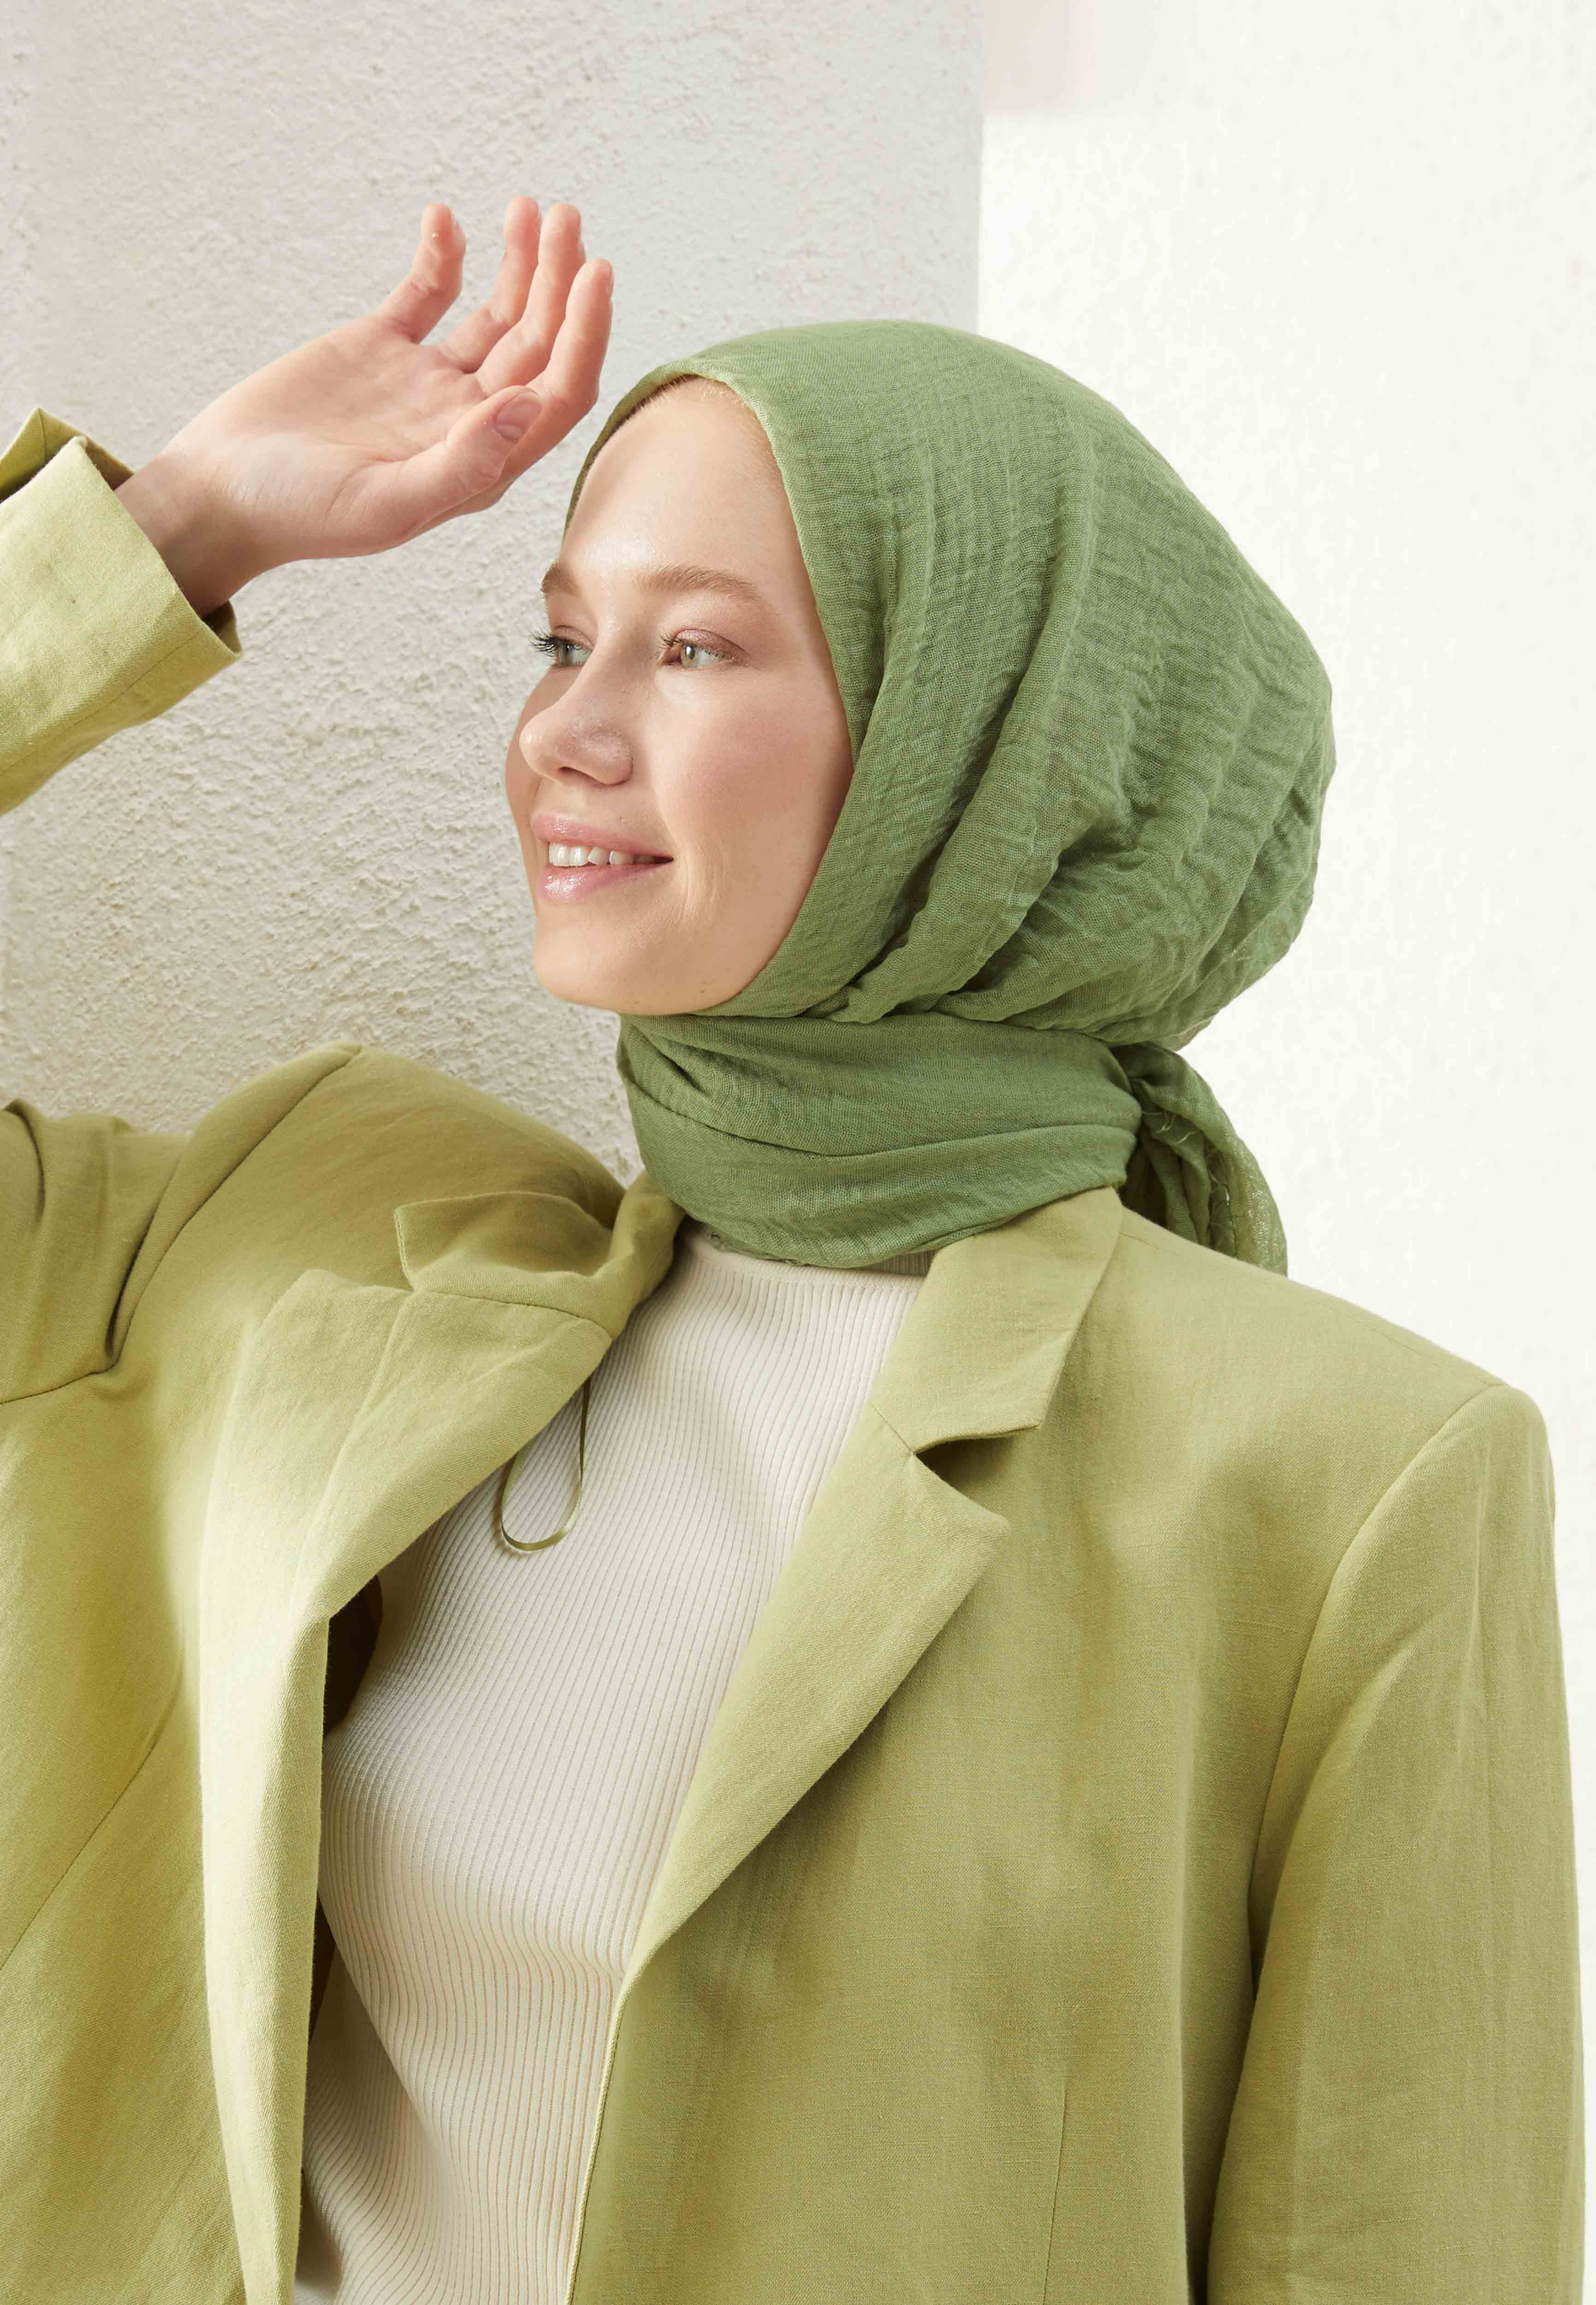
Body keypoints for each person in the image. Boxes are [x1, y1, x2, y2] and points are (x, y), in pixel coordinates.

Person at [0, 193, 1581, 2305]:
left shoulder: (1350, 1476)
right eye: (561, 637)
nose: (566, 733)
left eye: (693, 648)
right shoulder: (311, 1243)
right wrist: (174, 529)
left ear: (979, 747)